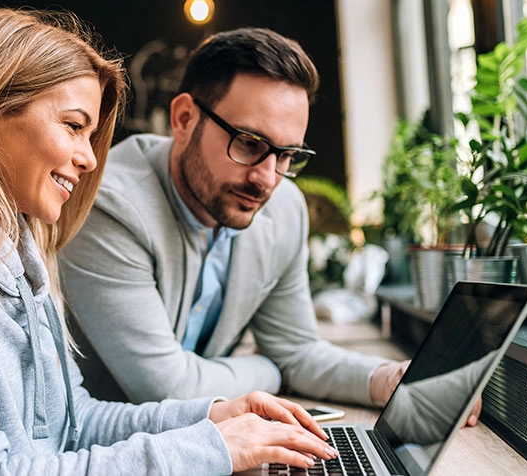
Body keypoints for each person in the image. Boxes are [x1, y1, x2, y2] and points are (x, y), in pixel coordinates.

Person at [0, 8, 339, 474]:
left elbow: (74, 426)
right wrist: (209, 448)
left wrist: (214, 415)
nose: (89, 157)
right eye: (74, 125)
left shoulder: (19, 252)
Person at [58, 26, 412, 407]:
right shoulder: (110, 204)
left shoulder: (285, 208)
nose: (266, 179)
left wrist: (385, 380)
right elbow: (167, 390)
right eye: (248, 143)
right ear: (183, 119)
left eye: (287, 154)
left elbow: (296, 350)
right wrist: (271, 369)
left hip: (211, 436)